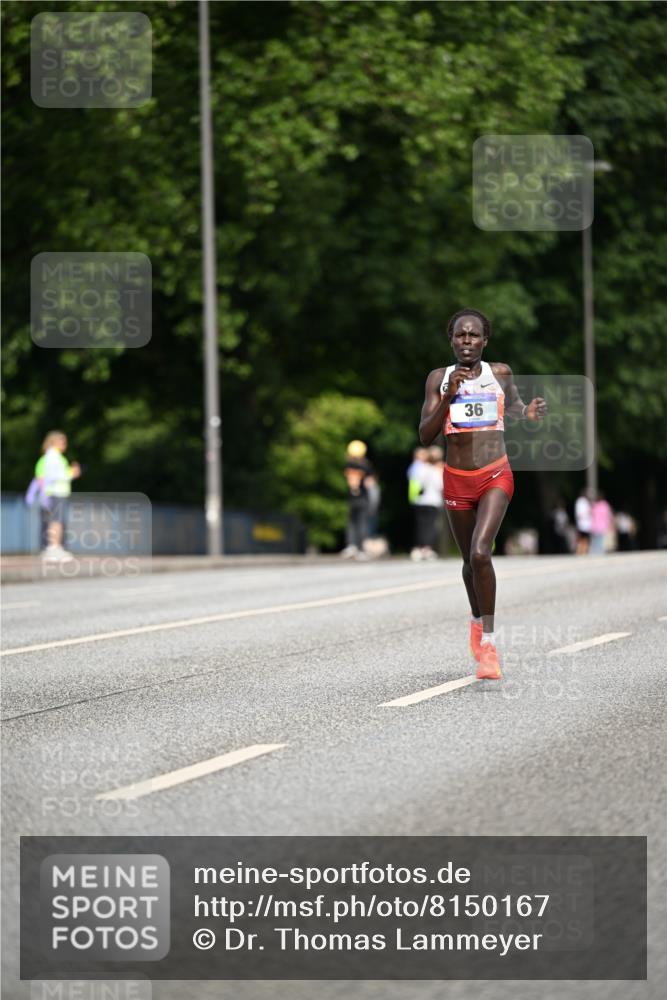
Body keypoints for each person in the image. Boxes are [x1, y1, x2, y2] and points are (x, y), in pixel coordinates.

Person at [418, 308, 546, 680]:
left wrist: (528, 413)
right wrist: (448, 396)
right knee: (467, 562)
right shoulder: (439, 379)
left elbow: (514, 406)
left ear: (485, 340)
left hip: (495, 474)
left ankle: (488, 645)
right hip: (456, 479)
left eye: (474, 335)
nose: (467, 341)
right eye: (460, 335)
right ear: (451, 340)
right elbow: (425, 435)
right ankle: (476, 620)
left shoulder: (500, 373)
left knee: (480, 552)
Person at [37, 430, 81, 562]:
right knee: (56, 521)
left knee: (57, 521)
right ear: (54, 442)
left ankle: (55, 547)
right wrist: (71, 473)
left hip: (58, 492)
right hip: (56, 492)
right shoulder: (53, 456)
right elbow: (52, 476)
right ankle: (53, 548)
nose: (65, 444)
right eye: (62, 442)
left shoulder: (56, 456)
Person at [409, 446, 444, 561]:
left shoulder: (420, 468)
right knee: (430, 526)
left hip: (419, 500)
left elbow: (414, 480)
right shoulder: (436, 471)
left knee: (420, 525)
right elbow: (440, 486)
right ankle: (426, 549)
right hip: (432, 501)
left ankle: (418, 548)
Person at [340, 440, 372, 560]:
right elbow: (370, 483)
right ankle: (360, 549)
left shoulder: (348, 465)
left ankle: (351, 546)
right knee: (361, 523)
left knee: (352, 523)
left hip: (352, 497)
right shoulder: (366, 466)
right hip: (363, 497)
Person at [574, 487, 593, 555]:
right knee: (583, 539)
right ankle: (581, 551)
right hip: (583, 523)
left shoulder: (582, 501)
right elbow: (581, 513)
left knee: (584, 538)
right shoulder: (582, 501)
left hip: (584, 524)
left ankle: (583, 551)